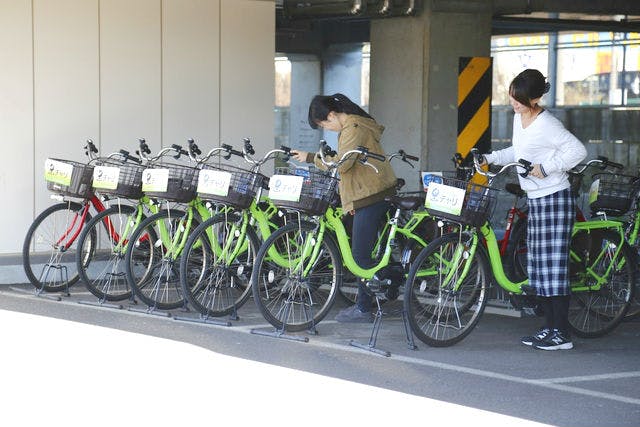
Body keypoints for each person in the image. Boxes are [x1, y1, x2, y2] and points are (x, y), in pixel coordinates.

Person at [482, 69, 587, 350]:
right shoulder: (520, 118)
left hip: (554, 197)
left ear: (535, 98)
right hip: (537, 199)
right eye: (513, 97)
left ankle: (561, 333)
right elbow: (518, 152)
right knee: (539, 267)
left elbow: (578, 151)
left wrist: (546, 167)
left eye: (520, 99)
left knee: (553, 267)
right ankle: (549, 328)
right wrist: (490, 157)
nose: (514, 103)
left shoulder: (547, 123)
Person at [291, 93, 398, 323]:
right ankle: (368, 300)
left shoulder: (353, 128)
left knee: (359, 257)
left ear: (331, 115)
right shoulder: (348, 127)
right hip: (365, 193)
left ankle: (371, 300)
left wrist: (311, 158)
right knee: (361, 252)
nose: (327, 129)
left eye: (325, 124)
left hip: (371, 195)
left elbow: (343, 163)